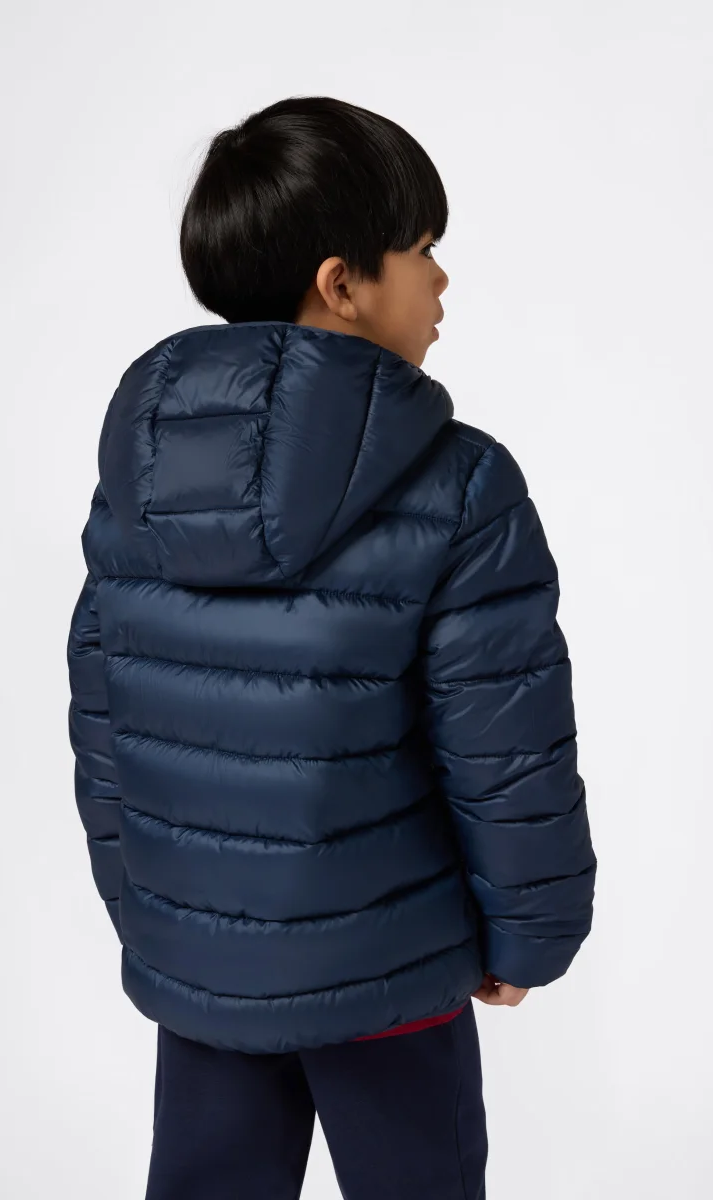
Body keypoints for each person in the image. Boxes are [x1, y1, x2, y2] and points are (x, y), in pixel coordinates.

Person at [66, 95, 597, 1200]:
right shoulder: (461, 483)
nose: (441, 280)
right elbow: (505, 749)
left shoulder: (138, 484)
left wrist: (156, 920)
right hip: (389, 975)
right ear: (342, 282)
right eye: (423, 248)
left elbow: (107, 729)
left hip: (204, 975)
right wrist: (528, 935)